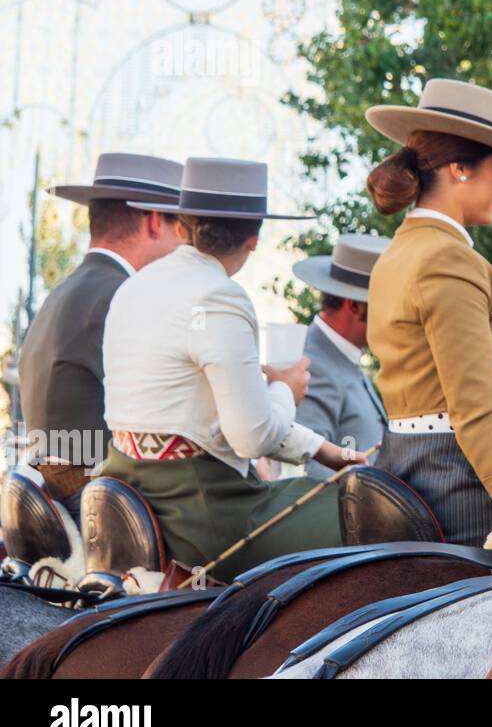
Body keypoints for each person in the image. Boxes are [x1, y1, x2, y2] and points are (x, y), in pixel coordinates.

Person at [100, 158, 361, 581]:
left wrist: (328, 452)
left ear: (183, 225)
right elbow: (251, 435)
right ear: (253, 241)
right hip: (197, 512)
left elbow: (204, 419)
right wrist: (285, 390)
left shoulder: (133, 286)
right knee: (356, 510)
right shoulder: (221, 296)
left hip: (125, 483)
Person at [365, 79, 492, 545]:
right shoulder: (446, 258)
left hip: (410, 465)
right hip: (456, 484)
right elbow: (475, 411)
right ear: (459, 169)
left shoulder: (400, 252)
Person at [16, 153, 183, 519]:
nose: (184, 247)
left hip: (58, 495)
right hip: (102, 508)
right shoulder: (124, 297)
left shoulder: (62, 293)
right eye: (182, 229)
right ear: (155, 222)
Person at [290, 234, 391, 480]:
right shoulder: (313, 364)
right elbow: (312, 474)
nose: (393, 315)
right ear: (355, 306)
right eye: (386, 304)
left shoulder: (344, 354)